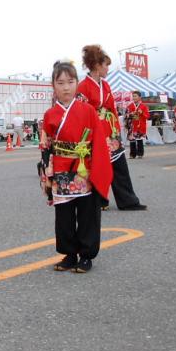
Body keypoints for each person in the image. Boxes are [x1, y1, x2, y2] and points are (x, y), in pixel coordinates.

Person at [40, 59, 112, 273]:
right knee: (64, 215)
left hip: (84, 168)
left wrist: (98, 170)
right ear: (53, 85)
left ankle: (86, 255)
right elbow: (46, 146)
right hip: (61, 168)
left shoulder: (88, 111)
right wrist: (47, 174)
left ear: (76, 83)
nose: (65, 87)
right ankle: (69, 253)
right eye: (60, 83)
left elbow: (99, 141)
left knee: (87, 214)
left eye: (70, 82)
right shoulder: (49, 115)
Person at [78, 45, 147, 211]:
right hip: (94, 130)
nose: (108, 68)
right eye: (106, 65)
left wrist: (116, 128)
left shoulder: (106, 85)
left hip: (109, 129)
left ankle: (128, 200)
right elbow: (81, 113)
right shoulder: (83, 86)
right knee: (97, 166)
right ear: (96, 65)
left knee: (119, 165)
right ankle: (100, 200)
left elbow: (112, 109)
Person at [125, 91, 149, 159]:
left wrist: (142, 113)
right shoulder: (130, 106)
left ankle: (140, 153)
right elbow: (126, 116)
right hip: (132, 125)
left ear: (139, 97)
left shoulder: (144, 106)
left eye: (135, 96)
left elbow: (147, 116)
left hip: (140, 125)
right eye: (133, 96)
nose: (134, 97)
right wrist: (130, 114)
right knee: (132, 140)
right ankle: (132, 154)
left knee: (139, 140)